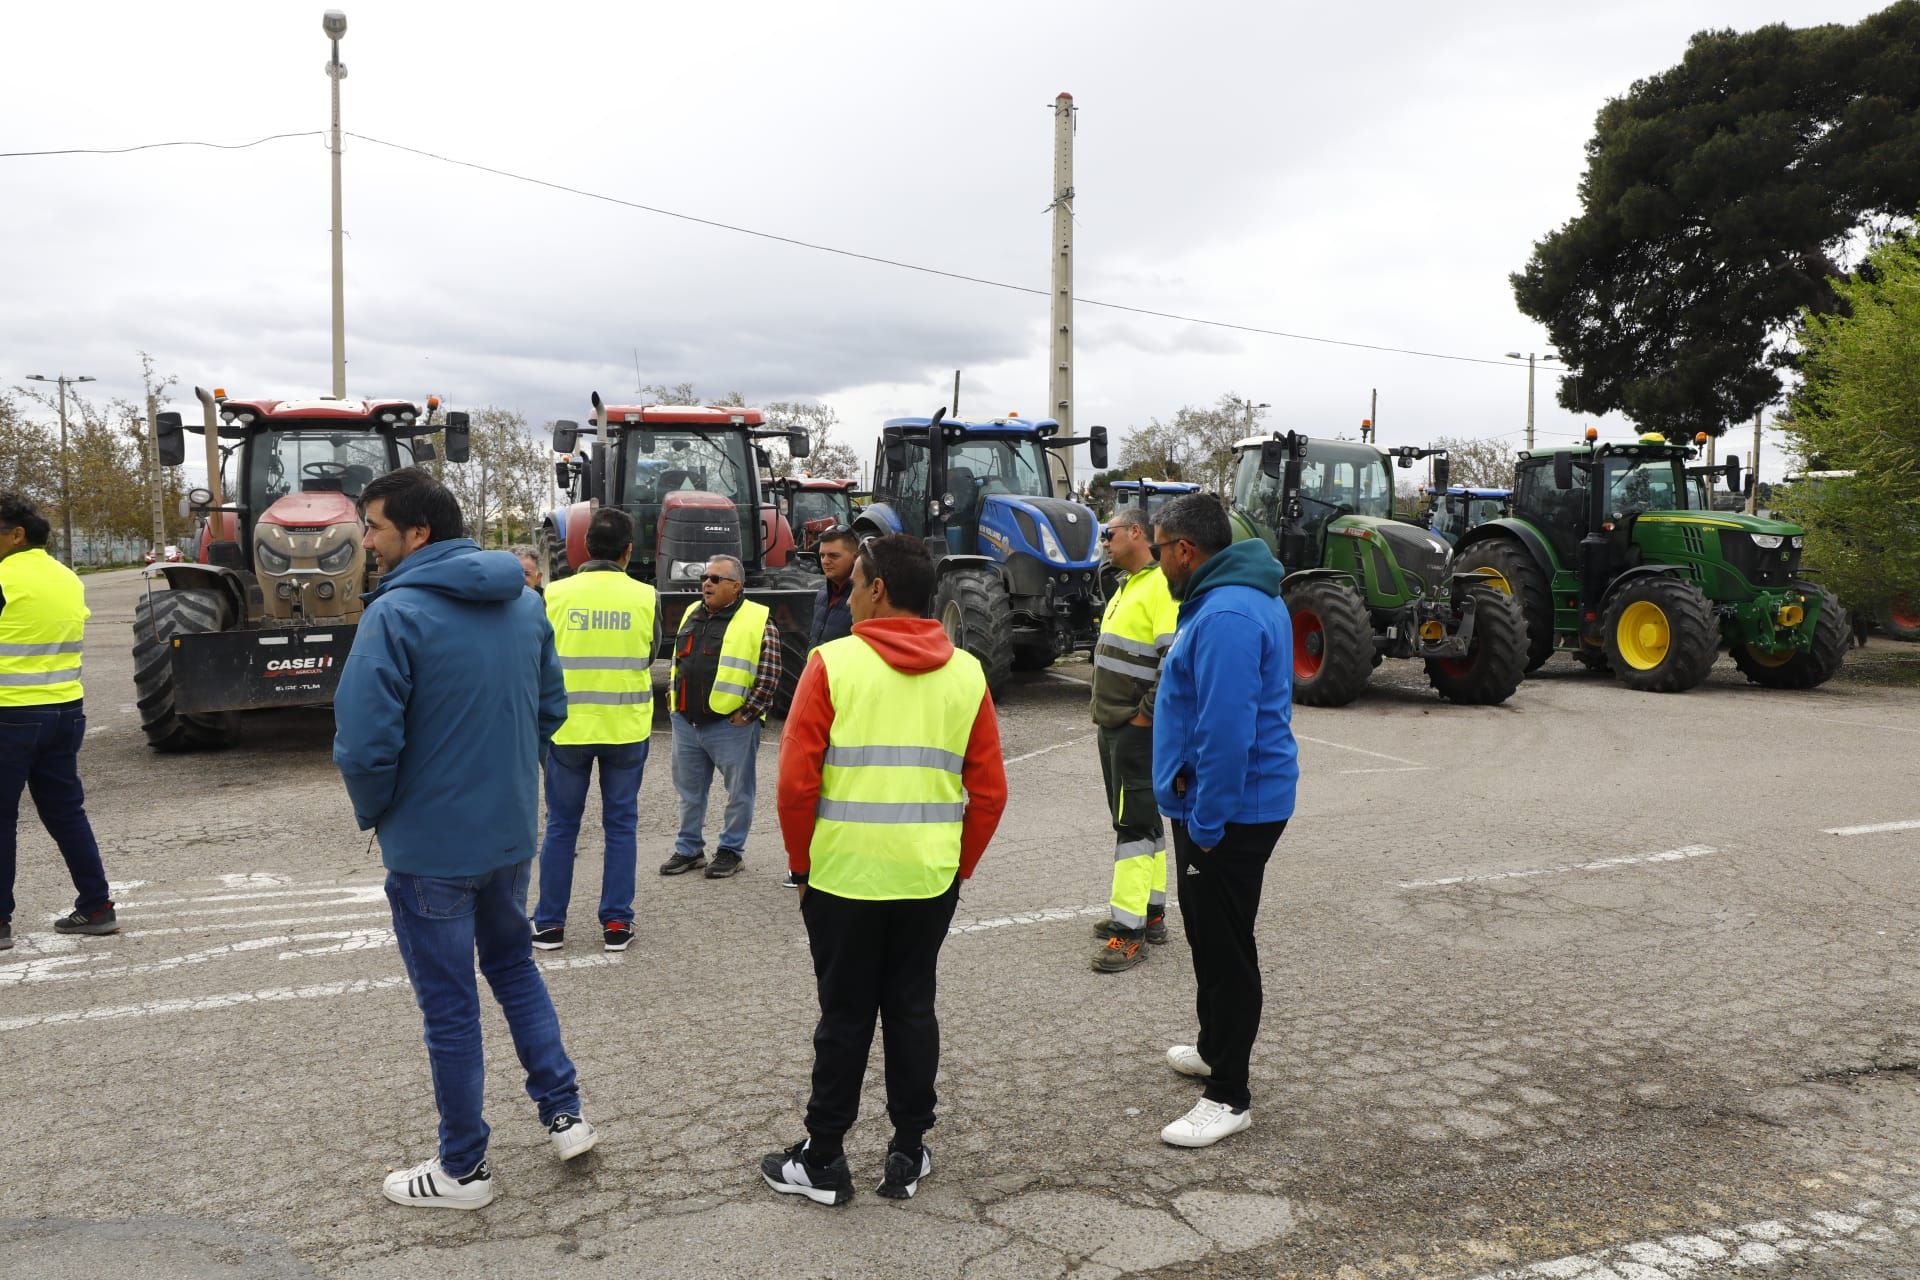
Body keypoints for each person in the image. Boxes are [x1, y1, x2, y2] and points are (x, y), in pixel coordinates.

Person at [332, 467, 595, 1210]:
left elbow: (363, 744)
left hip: (432, 851)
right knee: (514, 971)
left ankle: (462, 1170)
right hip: (509, 834)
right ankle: (564, 1113)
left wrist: (385, 811)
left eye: (376, 528)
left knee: (449, 1006)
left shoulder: (395, 615)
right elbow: (551, 709)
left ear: (417, 533)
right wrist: (507, 778)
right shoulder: (524, 602)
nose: (368, 542)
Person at [764, 534, 1006, 1205]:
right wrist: (959, 866)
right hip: (928, 880)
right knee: (911, 1009)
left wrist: (800, 862)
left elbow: (794, 784)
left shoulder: (832, 663)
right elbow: (989, 791)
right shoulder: (965, 672)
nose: (850, 591)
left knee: (844, 1017)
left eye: (857, 580)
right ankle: (907, 1150)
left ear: (876, 589)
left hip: (844, 878)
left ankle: (824, 1159)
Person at [1148, 494, 1298, 1149]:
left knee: (1228, 947)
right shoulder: (1224, 599)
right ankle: (1216, 1047)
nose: (1157, 564)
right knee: (1208, 936)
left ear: (1185, 550)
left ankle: (1229, 1095)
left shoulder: (1231, 612)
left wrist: (1207, 822)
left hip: (1229, 811)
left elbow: (1227, 731)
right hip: (1213, 805)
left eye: (1158, 550)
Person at [531, 508, 658, 953]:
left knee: (561, 827)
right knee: (621, 826)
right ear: (628, 551)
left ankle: (549, 925)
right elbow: (650, 654)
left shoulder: (556, 593)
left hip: (568, 731)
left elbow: (540, 657)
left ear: (584, 549)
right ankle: (617, 924)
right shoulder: (646, 596)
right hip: (625, 728)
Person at [0, 492, 116, 952]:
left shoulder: (4, 577)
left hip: (9, 715)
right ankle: (97, 907)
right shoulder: (69, 578)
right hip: (65, 712)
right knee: (67, 813)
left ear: (15, 534)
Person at [1087, 507, 1178, 973]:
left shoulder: (1159, 585)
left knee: (1133, 828)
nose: (1104, 540)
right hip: (1118, 726)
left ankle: (1129, 933)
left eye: (1110, 532)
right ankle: (1152, 913)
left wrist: (1144, 718)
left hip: (1133, 729)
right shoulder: (1130, 585)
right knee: (1142, 820)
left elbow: (1172, 659)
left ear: (1137, 532)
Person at [661, 554, 782, 880]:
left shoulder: (758, 620)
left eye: (716, 579)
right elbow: (677, 662)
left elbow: (770, 674)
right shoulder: (691, 612)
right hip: (687, 723)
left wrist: (749, 713)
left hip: (731, 726)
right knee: (689, 791)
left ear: (736, 586)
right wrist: (673, 704)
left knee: (739, 793)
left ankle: (730, 851)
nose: (707, 583)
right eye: (705, 577)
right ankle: (689, 850)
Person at [786, 526, 859, 889]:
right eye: (822, 556)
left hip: (845, 700)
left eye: (834, 556)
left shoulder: (861, 598)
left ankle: (831, 858)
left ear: (855, 557)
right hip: (817, 694)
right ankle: (806, 859)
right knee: (808, 781)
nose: (825, 562)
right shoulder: (820, 594)